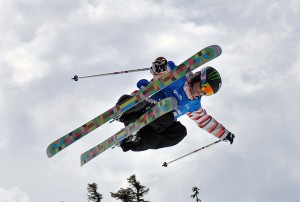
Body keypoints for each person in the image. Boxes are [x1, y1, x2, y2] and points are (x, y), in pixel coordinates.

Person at [116, 57, 235, 152]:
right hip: (141, 106)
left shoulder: (194, 104)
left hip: (155, 124)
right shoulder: (180, 77)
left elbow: (205, 121)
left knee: (179, 132)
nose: (203, 92)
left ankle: (134, 140)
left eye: (208, 92)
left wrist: (224, 134)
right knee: (131, 99)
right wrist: (161, 67)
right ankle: (124, 111)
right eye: (205, 87)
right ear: (199, 77)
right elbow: (167, 71)